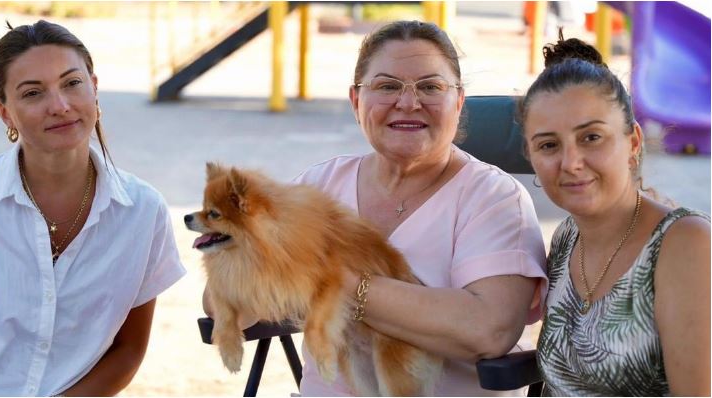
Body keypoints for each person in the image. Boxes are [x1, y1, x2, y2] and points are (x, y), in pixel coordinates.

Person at [201, 20, 547, 396]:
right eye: (387, 86)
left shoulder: (495, 199)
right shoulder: (320, 185)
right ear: (356, 101)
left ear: (459, 102)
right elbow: (222, 302)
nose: (409, 102)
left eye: (431, 87)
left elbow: (488, 330)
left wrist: (338, 282)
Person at [0, 20, 186, 396]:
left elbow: (128, 350)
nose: (60, 106)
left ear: (94, 89)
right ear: (5, 113)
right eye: (33, 93)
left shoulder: (143, 212)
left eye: (72, 83)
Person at [519, 31, 711, 396]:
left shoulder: (685, 244)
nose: (571, 163)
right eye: (548, 145)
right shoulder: (566, 237)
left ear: (633, 143)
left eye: (591, 137)